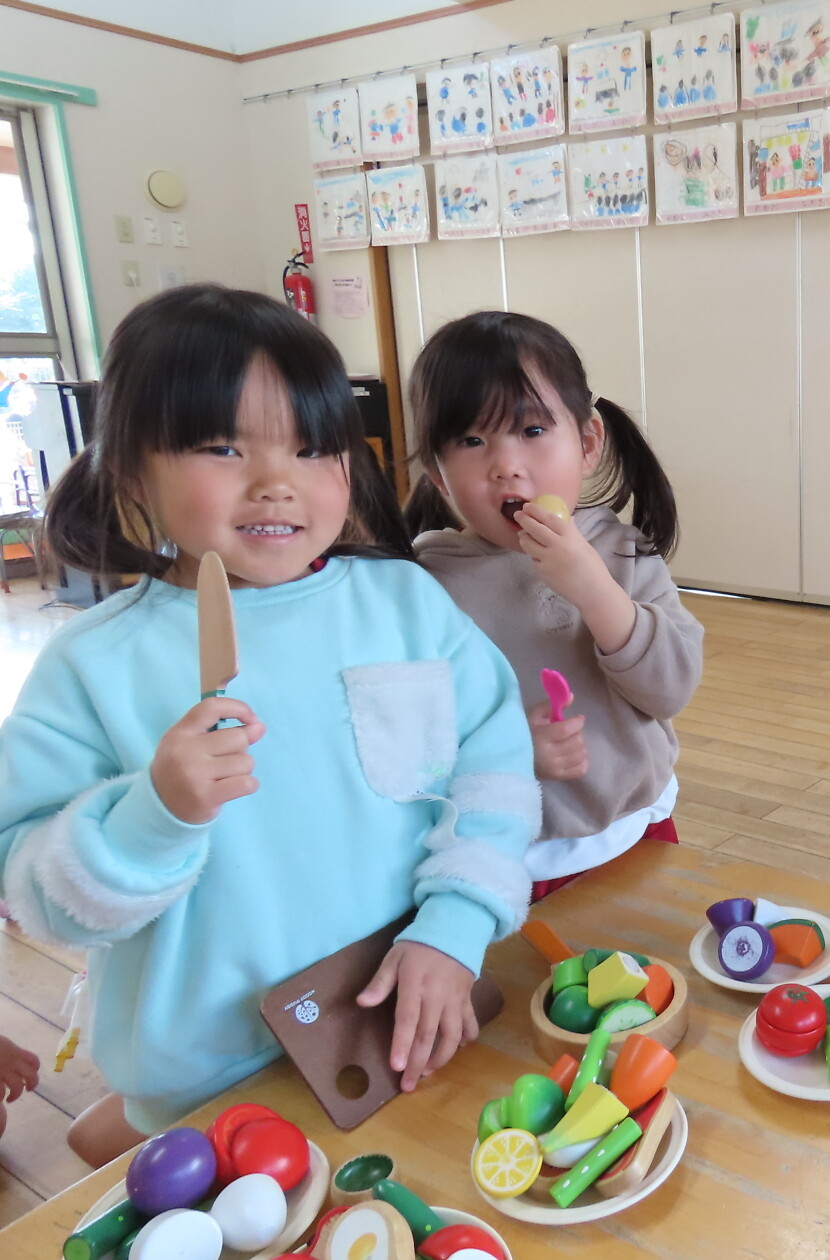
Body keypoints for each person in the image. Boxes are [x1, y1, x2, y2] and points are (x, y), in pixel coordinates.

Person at [0, 285, 538, 1166]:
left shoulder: (405, 604)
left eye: (312, 446)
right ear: (131, 467)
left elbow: (494, 771)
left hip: (401, 1013)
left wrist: (455, 924)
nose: (277, 481)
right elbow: (35, 892)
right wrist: (151, 817)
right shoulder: (92, 665)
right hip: (204, 1071)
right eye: (223, 446)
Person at [404, 312, 703, 901]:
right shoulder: (427, 586)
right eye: (471, 441)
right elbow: (413, 747)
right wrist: (512, 752)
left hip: (638, 828)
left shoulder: (622, 552)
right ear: (438, 474)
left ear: (587, 443)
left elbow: (671, 689)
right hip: (509, 857)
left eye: (533, 430)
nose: (505, 465)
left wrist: (594, 588)